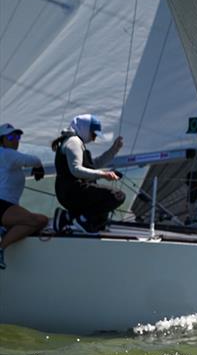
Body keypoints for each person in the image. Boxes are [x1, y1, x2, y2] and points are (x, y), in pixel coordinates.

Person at [51, 114, 125, 233]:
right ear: (85, 129)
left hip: (68, 192)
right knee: (117, 196)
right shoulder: (74, 142)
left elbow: (94, 165)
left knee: (103, 202)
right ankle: (83, 221)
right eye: (94, 134)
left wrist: (114, 149)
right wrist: (102, 174)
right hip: (73, 191)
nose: (94, 139)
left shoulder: (74, 141)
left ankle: (67, 217)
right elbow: (76, 170)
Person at [0, 123, 48, 270]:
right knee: (38, 220)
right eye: (11, 136)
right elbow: (33, 160)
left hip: (7, 206)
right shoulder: (6, 154)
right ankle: (1, 248)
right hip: (2, 205)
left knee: (42, 219)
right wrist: (39, 166)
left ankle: (3, 231)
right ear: (2, 140)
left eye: (18, 136)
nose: (15, 140)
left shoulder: (6, 155)